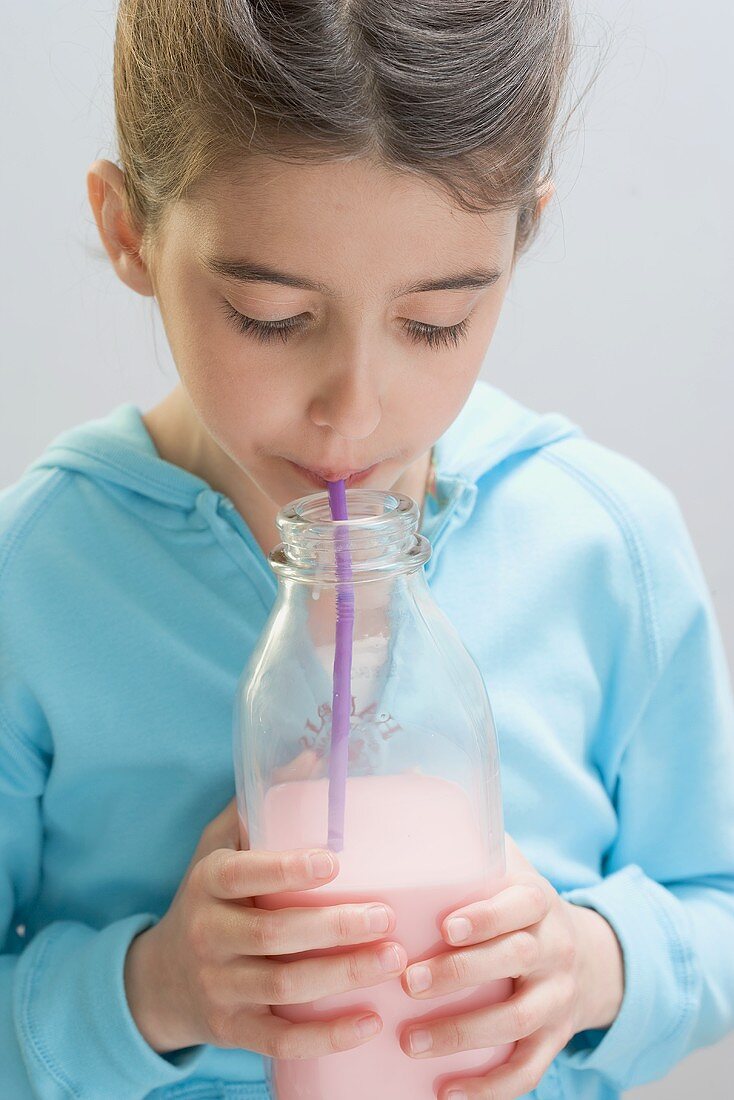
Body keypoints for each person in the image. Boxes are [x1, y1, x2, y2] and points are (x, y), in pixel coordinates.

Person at [1, 1, 733, 1097]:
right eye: (268, 313)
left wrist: (588, 966)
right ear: (129, 231)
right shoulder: (39, 577)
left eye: (433, 321)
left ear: (520, 237)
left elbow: (711, 901)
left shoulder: (601, 545)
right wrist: (151, 989)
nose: (353, 413)